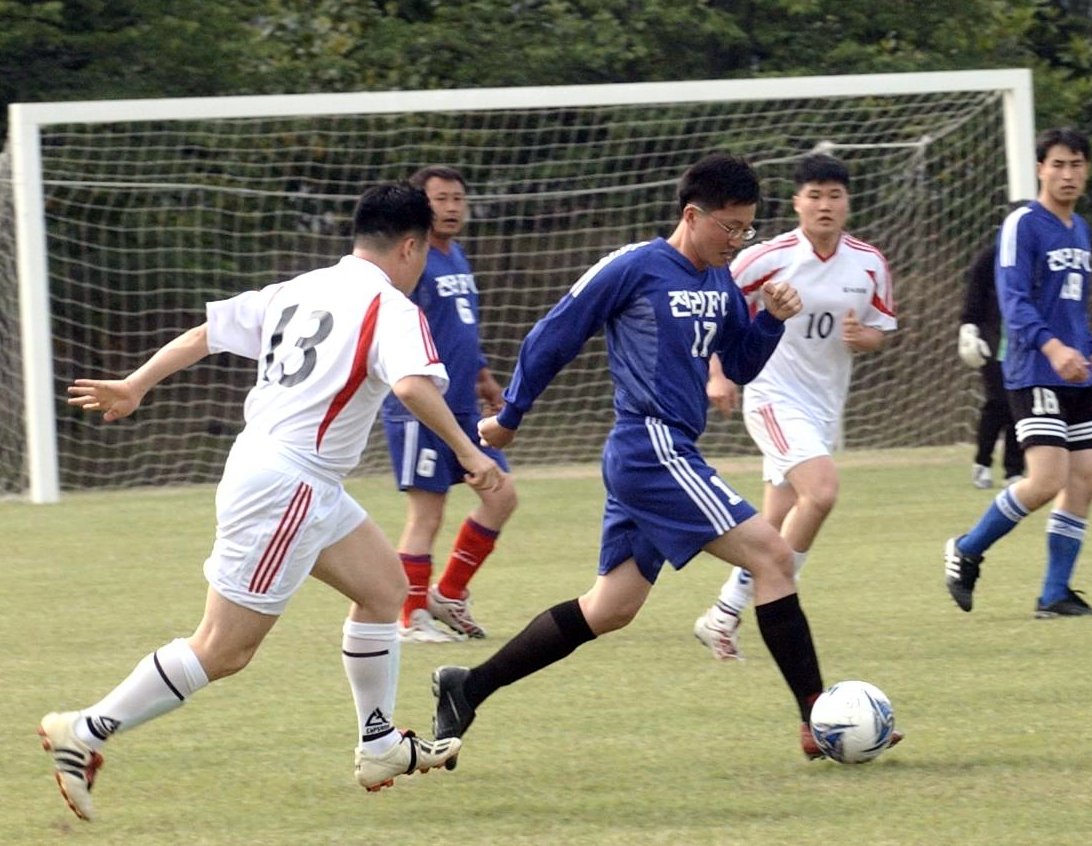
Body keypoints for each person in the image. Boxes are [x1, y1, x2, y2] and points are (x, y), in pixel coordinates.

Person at [38, 182, 503, 821]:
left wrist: (136, 383)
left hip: (292, 477)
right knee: (224, 648)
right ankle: (86, 729)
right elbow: (413, 386)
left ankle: (380, 744)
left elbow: (208, 332)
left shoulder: (300, 287)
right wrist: (471, 454)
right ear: (411, 245)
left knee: (384, 589)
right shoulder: (392, 308)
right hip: (290, 484)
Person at [428, 151, 880, 766]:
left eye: (747, 227)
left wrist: (770, 321)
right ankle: (816, 717)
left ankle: (467, 687)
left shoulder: (719, 280)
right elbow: (553, 334)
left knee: (610, 608)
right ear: (692, 215)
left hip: (669, 449)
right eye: (730, 226)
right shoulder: (636, 267)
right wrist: (510, 416)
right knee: (773, 554)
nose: (738, 240)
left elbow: (740, 365)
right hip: (649, 447)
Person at [692, 153, 897, 661]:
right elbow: (714, 300)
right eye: (814, 195)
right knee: (822, 493)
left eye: (834, 195)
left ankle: (720, 615)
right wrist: (717, 373)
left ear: (847, 203)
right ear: (797, 203)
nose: (824, 205)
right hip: (772, 396)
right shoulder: (768, 256)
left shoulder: (869, 263)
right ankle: (774, 594)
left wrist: (861, 337)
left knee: (776, 516)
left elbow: (881, 331)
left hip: (825, 406)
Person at [943, 127, 1092, 618]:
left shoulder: (1079, 229)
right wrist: (1053, 346)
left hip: (1077, 372)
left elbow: (1075, 310)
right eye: (1058, 164)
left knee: (1084, 478)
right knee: (1045, 480)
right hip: (1032, 370)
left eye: (1077, 164)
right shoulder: (1023, 223)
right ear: (1041, 168)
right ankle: (967, 548)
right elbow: (1014, 300)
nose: (1068, 174)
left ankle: (1054, 594)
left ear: (1086, 170)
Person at [381, 166, 517, 642]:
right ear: (421, 205)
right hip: (420, 406)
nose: (453, 207)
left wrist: (483, 376)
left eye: (459, 198)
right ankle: (410, 617)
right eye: (441, 199)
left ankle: (449, 594)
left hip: (460, 404)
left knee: (502, 496)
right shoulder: (409, 261)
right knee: (427, 514)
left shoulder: (455, 255)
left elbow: (461, 326)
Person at [959, 222, 1026, 490]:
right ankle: (982, 463)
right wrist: (969, 330)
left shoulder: (1034, 258)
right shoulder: (990, 257)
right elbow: (973, 298)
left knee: (1020, 408)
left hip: (1026, 345)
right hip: (994, 341)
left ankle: (1014, 470)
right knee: (998, 403)